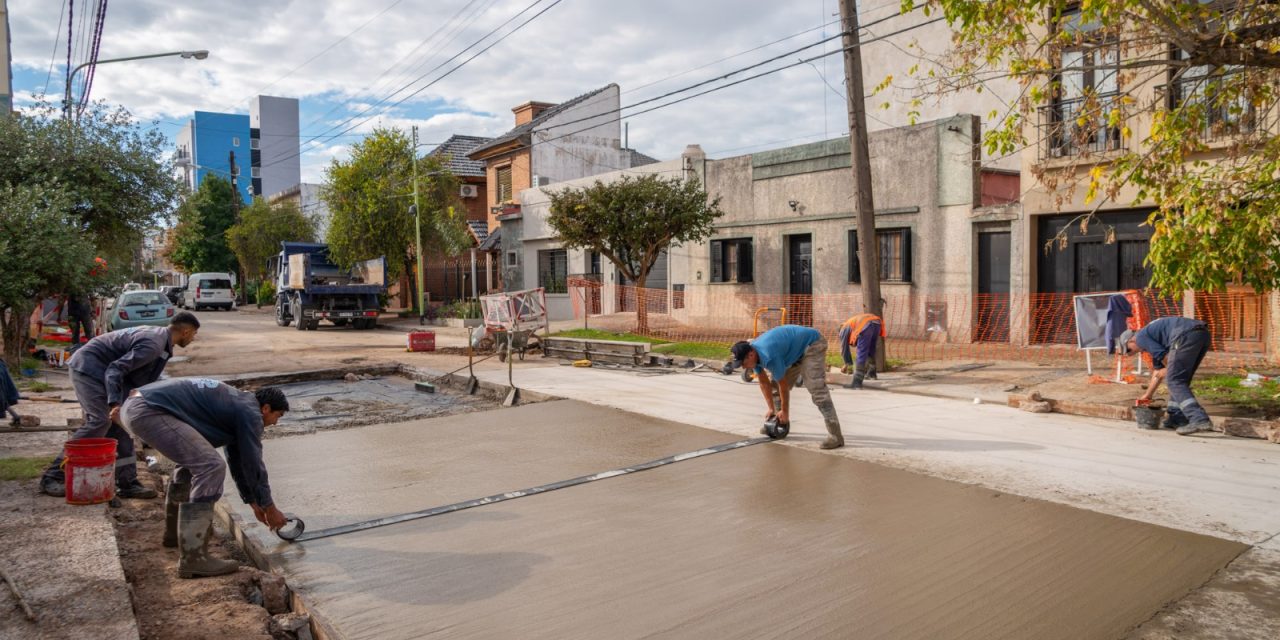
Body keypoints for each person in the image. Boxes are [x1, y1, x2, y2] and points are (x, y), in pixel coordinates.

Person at [119, 378, 290, 579]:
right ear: (266, 408)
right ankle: (194, 558)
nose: (275, 422)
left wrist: (253, 502)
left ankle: (174, 535)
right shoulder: (251, 413)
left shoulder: (238, 405)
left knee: (192, 465)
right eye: (277, 416)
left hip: (136, 406)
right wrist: (270, 507)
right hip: (149, 410)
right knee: (211, 466)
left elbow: (238, 460)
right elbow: (253, 463)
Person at [38, 312, 201, 498]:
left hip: (104, 373)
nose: (193, 338)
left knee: (123, 423)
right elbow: (115, 369)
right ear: (186, 331)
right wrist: (115, 403)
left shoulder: (160, 340)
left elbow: (139, 377)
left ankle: (127, 483)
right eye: (194, 334)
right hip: (89, 369)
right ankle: (53, 476)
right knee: (100, 421)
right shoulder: (153, 344)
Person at [729, 325, 844, 449]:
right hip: (795, 351)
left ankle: (836, 436)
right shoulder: (754, 353)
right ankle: (779, 423)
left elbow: (783, 385)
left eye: (743, 363)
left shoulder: (769, 355)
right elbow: (764, 383)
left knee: (817, 389)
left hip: (812, 344)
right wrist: (771, 409)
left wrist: (785, 411)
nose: (743, 367)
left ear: (751, 355)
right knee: (774, 387)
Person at [1117, 316, 1213, 436]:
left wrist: (1169, 369)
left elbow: (1165, 360)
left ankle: (1199, 419)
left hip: (1185, 335)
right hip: (1201, 334)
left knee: (1174, 380)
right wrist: (1148, 395)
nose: (1134, 353)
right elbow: (1158, 372)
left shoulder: (1140, 337)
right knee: (1180, 379)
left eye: (1128, 350)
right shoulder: (1153, 337)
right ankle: (1176, 417)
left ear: (1131, 340)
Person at [837, 313, 885, 389]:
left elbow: (844, 347)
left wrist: (847, 363)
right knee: (871, 349)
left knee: (861, 352)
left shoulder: (843, 328)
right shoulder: (852, 323)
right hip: (877, 323)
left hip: (865, 324)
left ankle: (857, 383)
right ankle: (872, 374)